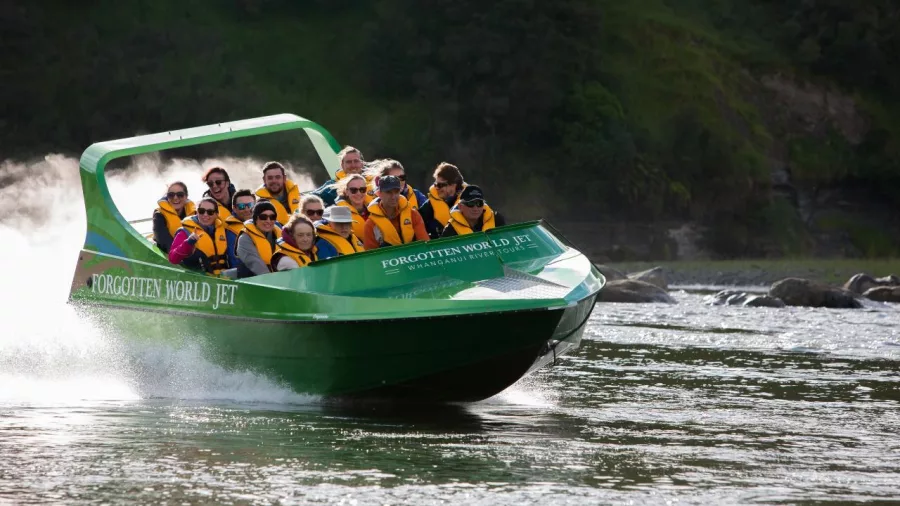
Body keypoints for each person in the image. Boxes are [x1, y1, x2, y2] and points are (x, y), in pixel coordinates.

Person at [168, 197, 238, 275]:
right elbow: (173, 259)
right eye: (201, 211)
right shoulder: (185, 232)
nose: (205, 215)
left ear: (217, 214)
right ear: (197, 212)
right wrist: (188, 243)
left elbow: (234, 257)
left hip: (224, 279)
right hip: (199, 279)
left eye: (210, 212)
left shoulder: (224, 231)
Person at [363, 175, 429, 249]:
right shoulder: (371, 224)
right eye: (388, 192)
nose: (393, 196)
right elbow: (371, 257)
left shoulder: (413, 214)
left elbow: (425, 245)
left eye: (396, 192)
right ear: (379, 194)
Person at [418, 162, 467, 239]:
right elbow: (416, 224)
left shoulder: (472, 202)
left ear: (453, 185)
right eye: (435, 184)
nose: (436, 188)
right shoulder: (429, 206)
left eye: (440, 185)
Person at [235, 200, 283, 278]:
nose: (268, 221)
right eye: (263, 217)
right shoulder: (244, 239)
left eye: (272, 217)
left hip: (278, 279)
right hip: (253, 283)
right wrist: (275, 282)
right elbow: (256, 265)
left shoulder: (279, 234)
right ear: (255, 219)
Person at [441, 185, 506, 237]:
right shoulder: (450, 229)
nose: (475, 208)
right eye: (470, 204)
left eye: (479, 203)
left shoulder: (497, 219)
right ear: (460, 206)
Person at [152, 181, 195, 253]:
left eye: (180, 195)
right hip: (172, 255)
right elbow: (164, 241)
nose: (175, 198)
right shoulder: (159, 215)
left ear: (186, 196)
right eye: (171, 195)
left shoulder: (196, 212)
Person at [333, 174, 369, 239]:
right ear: (346, 192)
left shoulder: (375, 208)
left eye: (362, 189)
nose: (358, 193)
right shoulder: (337, 214)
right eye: (353, 190)